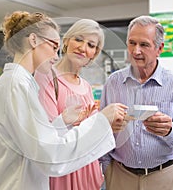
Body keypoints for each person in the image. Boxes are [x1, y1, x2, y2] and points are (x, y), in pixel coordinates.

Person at [0, 11, 128, 190]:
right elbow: (50, 155)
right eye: (54, 46)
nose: (57, 56)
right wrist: (102, 120)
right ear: (34, 40)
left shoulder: (22, 83)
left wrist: (62, 121)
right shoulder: (16, 85)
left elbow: (34, 140)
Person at [99, 15, 173, 190]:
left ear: (159, 48)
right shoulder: (113, 82)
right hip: (120, 176)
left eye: (144, 44)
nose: (136, 51)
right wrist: (108, 170)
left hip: (164, 178)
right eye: (132, 43)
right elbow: (102, 131)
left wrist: (170, 130)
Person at [35, 19, 126, 190]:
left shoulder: (85, 86)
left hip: (88, 168)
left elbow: (93, 133)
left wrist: (109, 125)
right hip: (64, 171)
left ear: (95, 53)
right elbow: (49, 136)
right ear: (66, 41)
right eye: (78, 39)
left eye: (91, 45)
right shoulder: (46, 77)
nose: (83, 48)